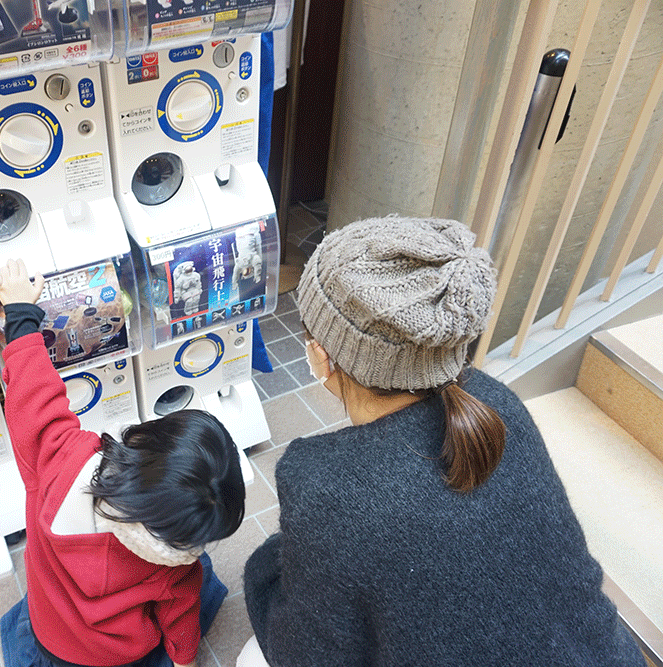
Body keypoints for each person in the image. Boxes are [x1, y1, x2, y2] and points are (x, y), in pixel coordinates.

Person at [239, 216, 646, 666]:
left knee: (251, 657)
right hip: (606, 655)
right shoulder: (496, 404)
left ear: (322, 357)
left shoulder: (326, 488)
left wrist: (268, 568)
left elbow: (307, 653)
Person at [0, 259, 246, 667]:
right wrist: (184, 661)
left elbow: (32, 392)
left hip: (55, 638)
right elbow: (180, 618)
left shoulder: (60, 460)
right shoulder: (175, 562)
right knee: (202, 577)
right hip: (124, 654)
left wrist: (20, 313)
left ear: (145, 436)